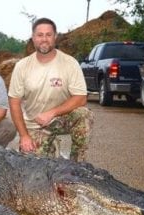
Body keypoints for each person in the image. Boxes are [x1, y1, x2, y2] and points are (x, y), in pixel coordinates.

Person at [8, 17, 94, 162]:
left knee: (84, 115)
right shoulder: (22, 66)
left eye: (48, 35)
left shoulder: (69, 63)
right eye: (40, 35)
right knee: (32, 167)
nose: (44, 39)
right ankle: (49, 145)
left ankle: (77, 165)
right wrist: (24, 136)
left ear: (55, 37)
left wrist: (52, 112)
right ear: (33, 38)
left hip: (62, 118)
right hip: (35, 124)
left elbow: (81, 98)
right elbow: (14, 102)